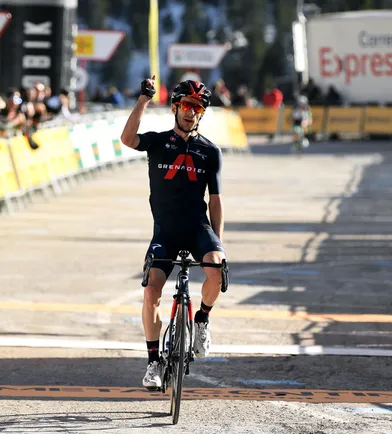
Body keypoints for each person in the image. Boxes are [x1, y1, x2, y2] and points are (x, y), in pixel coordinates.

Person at [120, 76, 227, 390]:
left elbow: (216, 201)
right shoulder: (157, 141)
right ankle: (154, 361)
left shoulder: (210, 152)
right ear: (176, 108)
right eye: (185, 106)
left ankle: (202, 319)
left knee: (217, 269)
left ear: (201, 113)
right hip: (165, 232)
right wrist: (144, 99)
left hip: (198, 228)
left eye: (196, 108)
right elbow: (127, 139)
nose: (190, 112)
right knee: (151, 290)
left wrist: (217, 240)